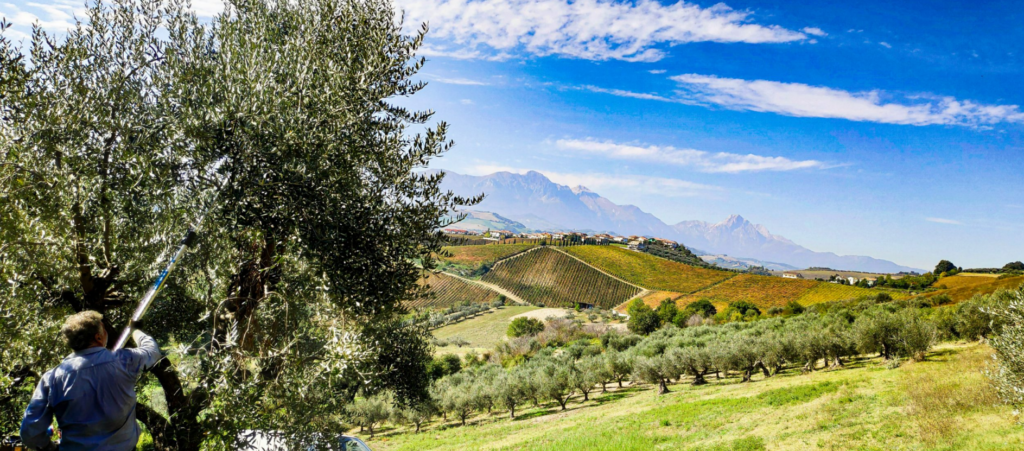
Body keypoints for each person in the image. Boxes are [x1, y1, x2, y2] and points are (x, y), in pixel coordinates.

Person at [20, 311, 161, 451]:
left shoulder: (52, 378)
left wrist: (48, 447)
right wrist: (135, 331)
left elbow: (30, 432)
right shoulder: (124, 361)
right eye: (104, 329)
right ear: (99, 337)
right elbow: (152, 351)